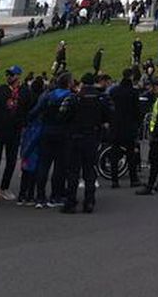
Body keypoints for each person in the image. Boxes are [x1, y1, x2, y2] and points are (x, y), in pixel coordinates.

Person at [61, 73, 111, 213]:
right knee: (89, 171)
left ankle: (71, 203)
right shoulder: (101, 98)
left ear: (82, 83)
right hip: (92, 137)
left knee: (73, 172)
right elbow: (108, 116)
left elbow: (63, 116)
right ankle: (89, 202)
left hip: (75, 137)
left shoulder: (74, 98)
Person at [29, 72, 74, 209]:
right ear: (69, 83)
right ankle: (55, 196)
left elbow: (34, 112)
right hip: (62, 133)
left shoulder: (48, 96)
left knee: (44, 164)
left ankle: (40, 196)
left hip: (46, 131)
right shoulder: (70, 97)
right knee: (60, 167)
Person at [0, 66, 26, 205]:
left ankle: (5, 187)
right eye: (8, 74)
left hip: (15, 131)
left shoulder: (24, 91)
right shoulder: (0, 91)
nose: (9, 77)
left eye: (12, 74)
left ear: (18, 76)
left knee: (12, 160)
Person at [107, 68, 142, 189]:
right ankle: (133, 178)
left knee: (114, 153)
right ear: (131, 77)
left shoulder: (114, 91)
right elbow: (137, 110)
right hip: (129, 125)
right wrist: (138, 123)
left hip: (116, 125)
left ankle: (114, 180)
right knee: (130, 153)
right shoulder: (133, 92)